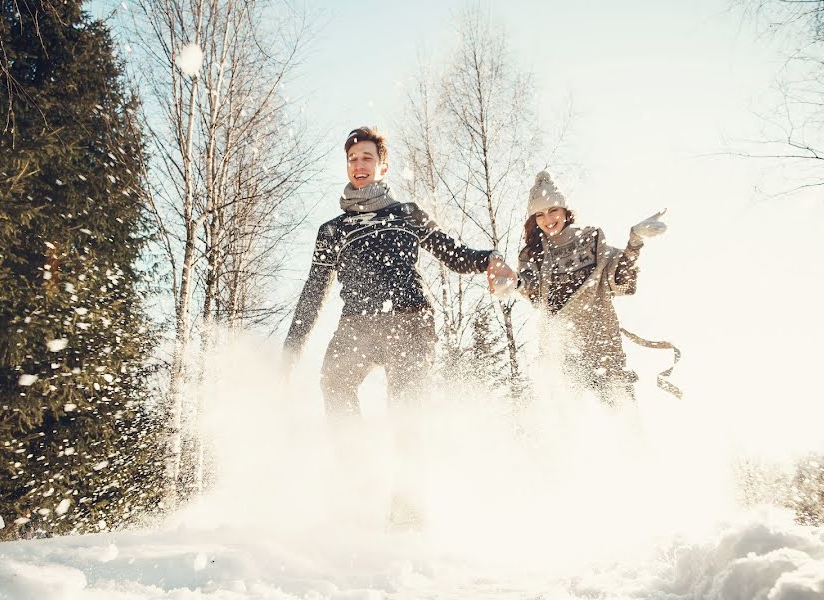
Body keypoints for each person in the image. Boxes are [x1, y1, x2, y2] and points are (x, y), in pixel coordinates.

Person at [283, 126, 514, 527]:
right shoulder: (333, 231)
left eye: (367, 158)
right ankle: (358, 478)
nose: (360, 165)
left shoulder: (406, 214)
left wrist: (490, 259)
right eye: (353, 159)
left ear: (382, 166)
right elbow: (313, 292)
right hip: (357, 325)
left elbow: (453, 254)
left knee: (406, 414)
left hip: (409, 322)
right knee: (333, 382)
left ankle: (408, 515)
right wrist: (292, 348)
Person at [497, 171, 667, 404]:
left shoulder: (591, 240)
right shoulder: (532, 254)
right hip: (562, 355)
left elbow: (621, 280)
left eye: (553, 210)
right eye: (540, 214)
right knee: (574, 430)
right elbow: (532, 288)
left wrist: (635, 241)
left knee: (623, 425)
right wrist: (513, 282)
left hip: (603, 349)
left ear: (565, 211)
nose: (548, 219)